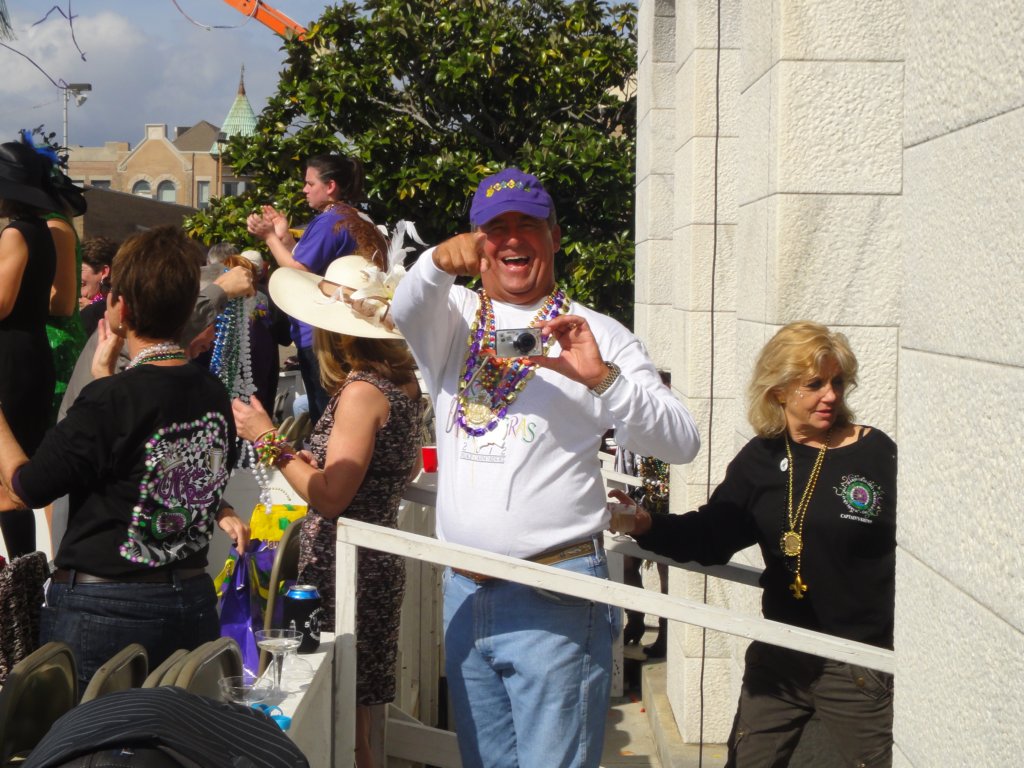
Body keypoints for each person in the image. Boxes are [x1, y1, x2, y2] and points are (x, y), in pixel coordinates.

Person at [390, 168, 701, 768]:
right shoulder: (453, 317)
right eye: (496, 227)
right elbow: (405, 306)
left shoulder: (597, 333)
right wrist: (436, 260)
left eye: (527, 225)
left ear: (554, 237)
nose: (512, 239)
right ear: (477, 243)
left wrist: (602, 379)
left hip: (555, 593)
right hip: (464, 590)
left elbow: (680, 441)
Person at [615, 321, 896, 768]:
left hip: (855, 662)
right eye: (814, 384)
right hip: (780, 652)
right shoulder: (762, 458)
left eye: (838, 382)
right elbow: (711, 536)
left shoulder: (877, 454)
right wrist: (647, 525)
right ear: (779, 390)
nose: (831, 395)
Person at [0, 226, 248, 691]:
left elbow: (29, 486)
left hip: (106, 613)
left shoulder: (112, 399)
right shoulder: (211, 392)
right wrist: (103, 381)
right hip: (188, 600)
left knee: (93, 739)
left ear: (121, 307)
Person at [233, 253, 423, 768]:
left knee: (341, 711)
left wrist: (267, 439)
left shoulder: (362, 393)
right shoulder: (403, 384)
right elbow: (401, 470)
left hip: (344, 565)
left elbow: (331, 497)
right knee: (355, 710)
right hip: (374, 559)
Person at [246, 154, 386, 426]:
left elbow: (299, 271)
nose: (305, 189)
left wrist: (269, 237)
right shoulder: (354, 217)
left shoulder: (330, 220)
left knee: (328, 420)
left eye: (310, 183)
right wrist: (284, 238)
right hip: (342, 332)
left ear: (330, 186)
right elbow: (308, 263)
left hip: (322, 336)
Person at [0, 141, 59, 558]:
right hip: (33, 353)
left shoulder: (15, 233)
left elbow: (1, 303)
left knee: (9, 473)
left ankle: (20, 571)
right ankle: (27, 566)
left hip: (10, 359)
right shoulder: (45, 232)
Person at [77, 236, 119, 336]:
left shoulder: (111, 310)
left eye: (80, 270)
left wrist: (91, 309)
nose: (74, 276)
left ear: (104, 272)